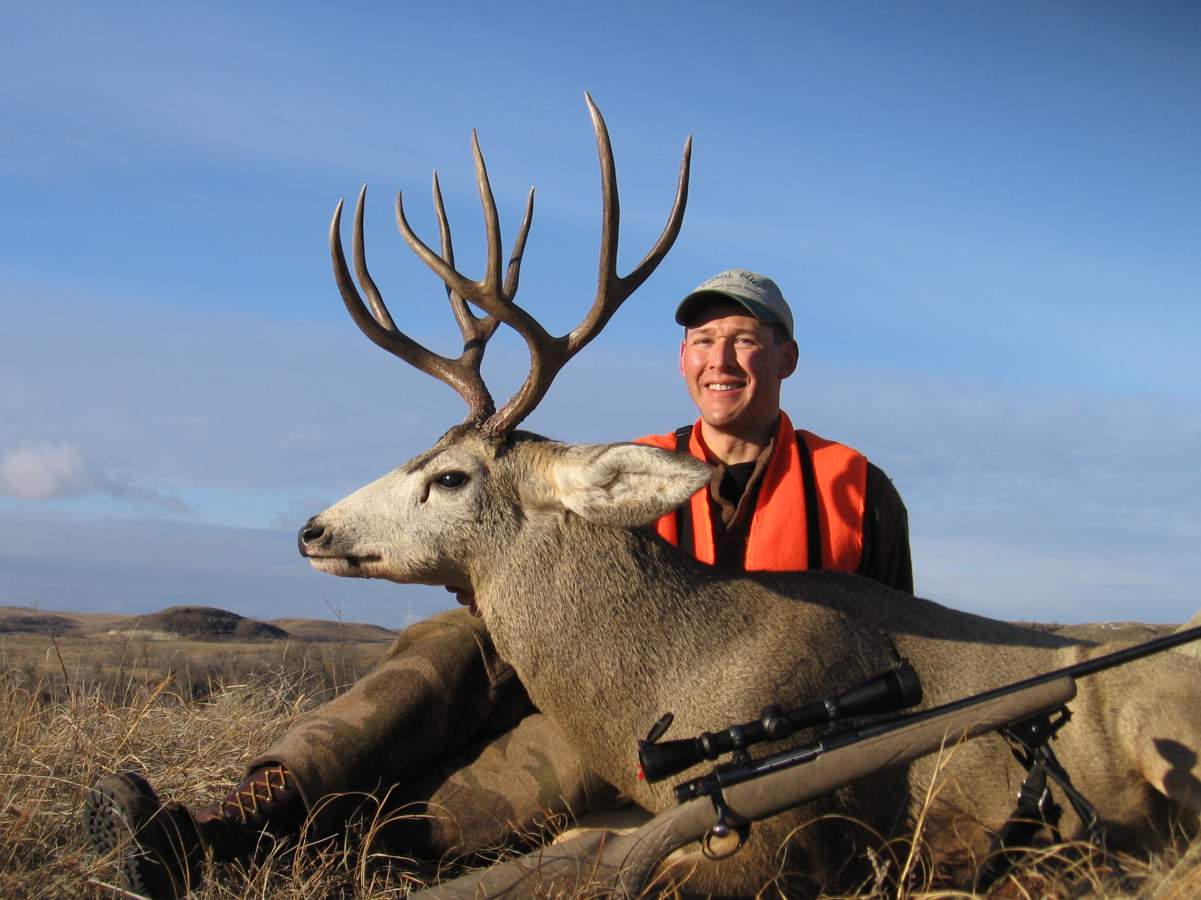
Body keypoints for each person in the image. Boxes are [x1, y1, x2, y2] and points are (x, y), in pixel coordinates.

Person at [84, 269, 913, 898]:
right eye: (701, 341)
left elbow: (899, 634)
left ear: (785, 357)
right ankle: (229, 822)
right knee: (460, 642)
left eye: (743, 339)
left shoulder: (854, 486)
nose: (719, 359)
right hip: (602, 684)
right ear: (682, 359)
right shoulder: (615, 469)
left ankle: (312, 864)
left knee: (456, 815)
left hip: (729, 729)